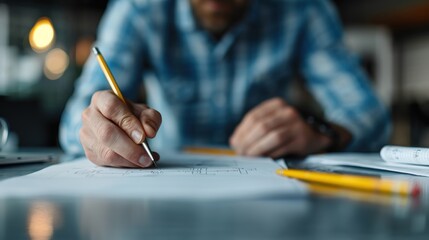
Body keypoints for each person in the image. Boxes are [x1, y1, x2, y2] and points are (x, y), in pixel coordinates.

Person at [60, 0, 391, 168]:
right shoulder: (137, 9)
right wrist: (100, 126)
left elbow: (370, 115)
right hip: (162, 180)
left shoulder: (303, 10)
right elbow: (76, 119)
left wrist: (321, 132)